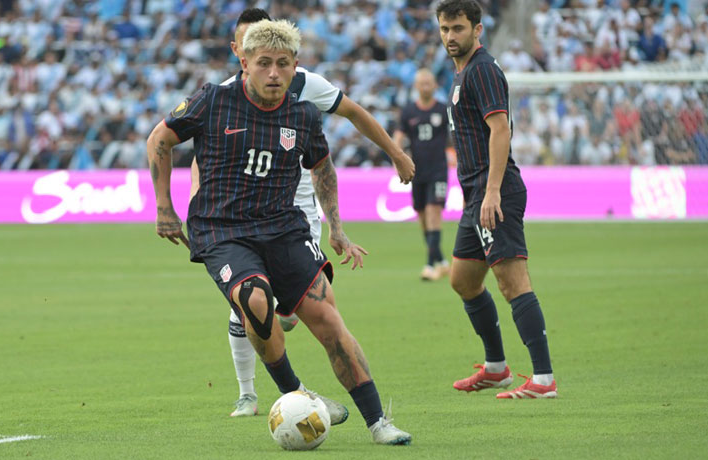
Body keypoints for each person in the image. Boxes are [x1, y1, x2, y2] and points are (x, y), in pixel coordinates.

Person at [147, 19, 412, 444]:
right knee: (254, 298)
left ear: (295, 67)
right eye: (264, 63)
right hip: (222, 230)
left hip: (283, 227)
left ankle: (379, 422)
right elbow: (160, 139)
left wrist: (337, 228)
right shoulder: (213, 101)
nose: (274, 73)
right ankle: (296, 394)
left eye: (283, 64)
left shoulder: (303, 114)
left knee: (327, 319)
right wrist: (164, 207)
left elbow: (322, 167)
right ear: (245, 62)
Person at [436, 0, 557, 399]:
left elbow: (500, 130)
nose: (450, 36)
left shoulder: (483, 69)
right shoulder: (461, 72)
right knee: (464, 280)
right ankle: (496, 368)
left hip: (495, 192)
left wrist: (491, 192)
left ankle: (543, 379)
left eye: (458, 28)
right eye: (445, 29)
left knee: (512, 282)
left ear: (478, 29)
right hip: (476, 195)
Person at [392, 69, 451, 281]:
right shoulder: (408, 111)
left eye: (429, 83)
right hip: (417, 172)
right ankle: (443, 262)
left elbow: (455, 138)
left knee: (434, 211)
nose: (425, 87)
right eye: (422, 83)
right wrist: (396, 158)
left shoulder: (443, 110)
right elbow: (398, 136)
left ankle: (429, 265)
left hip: (438, 171)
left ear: (435, 86)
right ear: (416, 87)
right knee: (423, 217)